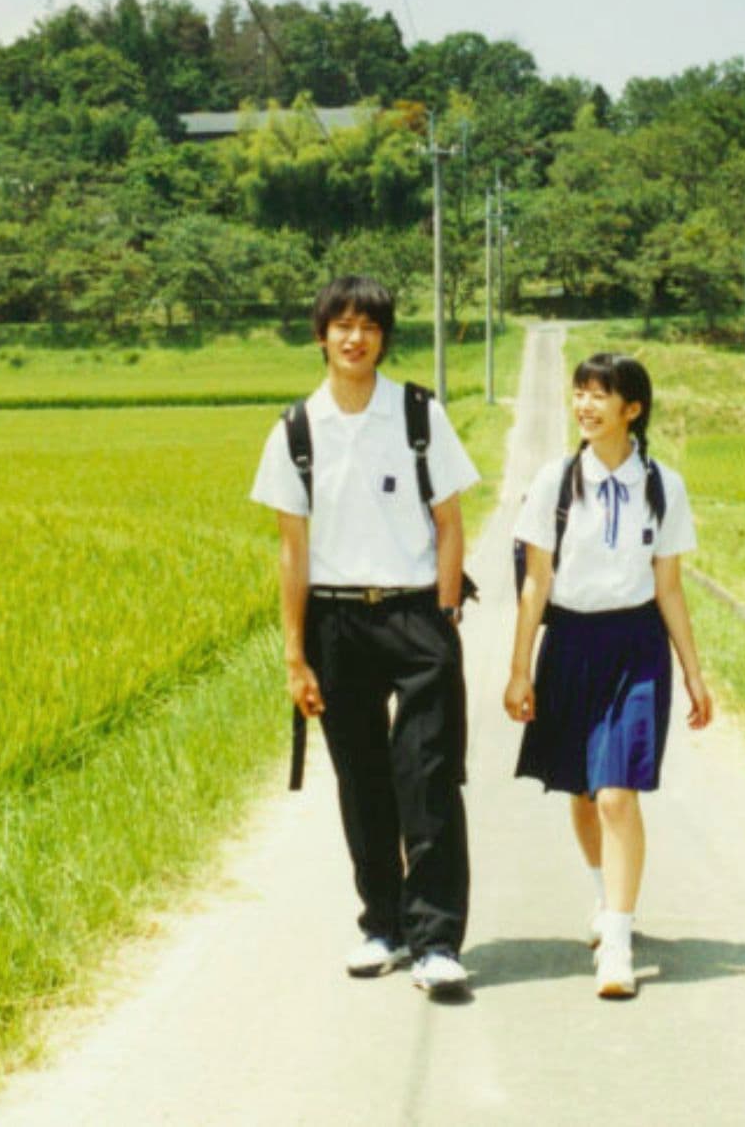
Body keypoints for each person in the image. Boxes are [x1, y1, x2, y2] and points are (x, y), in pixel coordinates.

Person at [250, 275, 479, 996]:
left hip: (416, 615)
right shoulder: (295, 430)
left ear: (384, 336)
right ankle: (383, 925)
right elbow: (292, 550)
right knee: (363, 781)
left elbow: (450, 522)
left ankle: (437, 938)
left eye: (369, 325)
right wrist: (295, 654)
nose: (355, 337)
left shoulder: (417, 414)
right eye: (342, 325)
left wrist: (443, 616)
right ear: (320, 335)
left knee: (429, 777)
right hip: (337, 622)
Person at [504, 351, 712, 999]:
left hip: (636, 645)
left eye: (601, 396)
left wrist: (694, 674)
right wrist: (519, 670)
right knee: (585, 790)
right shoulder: (554, 483)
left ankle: (617, 941)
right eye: (580, 394)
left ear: (633, 409)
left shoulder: (664, 487)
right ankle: (604, 895)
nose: (586, 406)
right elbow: (536, 582)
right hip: (569, 642)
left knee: (618, 792)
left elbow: (670, 589)